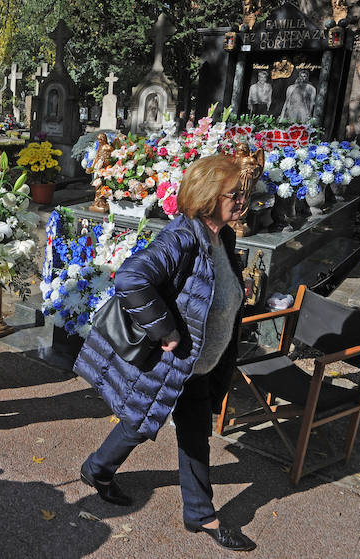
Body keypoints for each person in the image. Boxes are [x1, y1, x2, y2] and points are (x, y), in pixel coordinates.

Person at [74, 154, 255, 552]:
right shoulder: (183, 237)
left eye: (242, 193)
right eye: (234, 194)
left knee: (194, 433)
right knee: (140, 423)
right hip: (172, 362)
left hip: (200, 363)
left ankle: (199, 513)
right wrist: (166, 330)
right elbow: (131, 277)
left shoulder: (223, 235)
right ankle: (97, 469)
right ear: (208, 196)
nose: (242, 201)